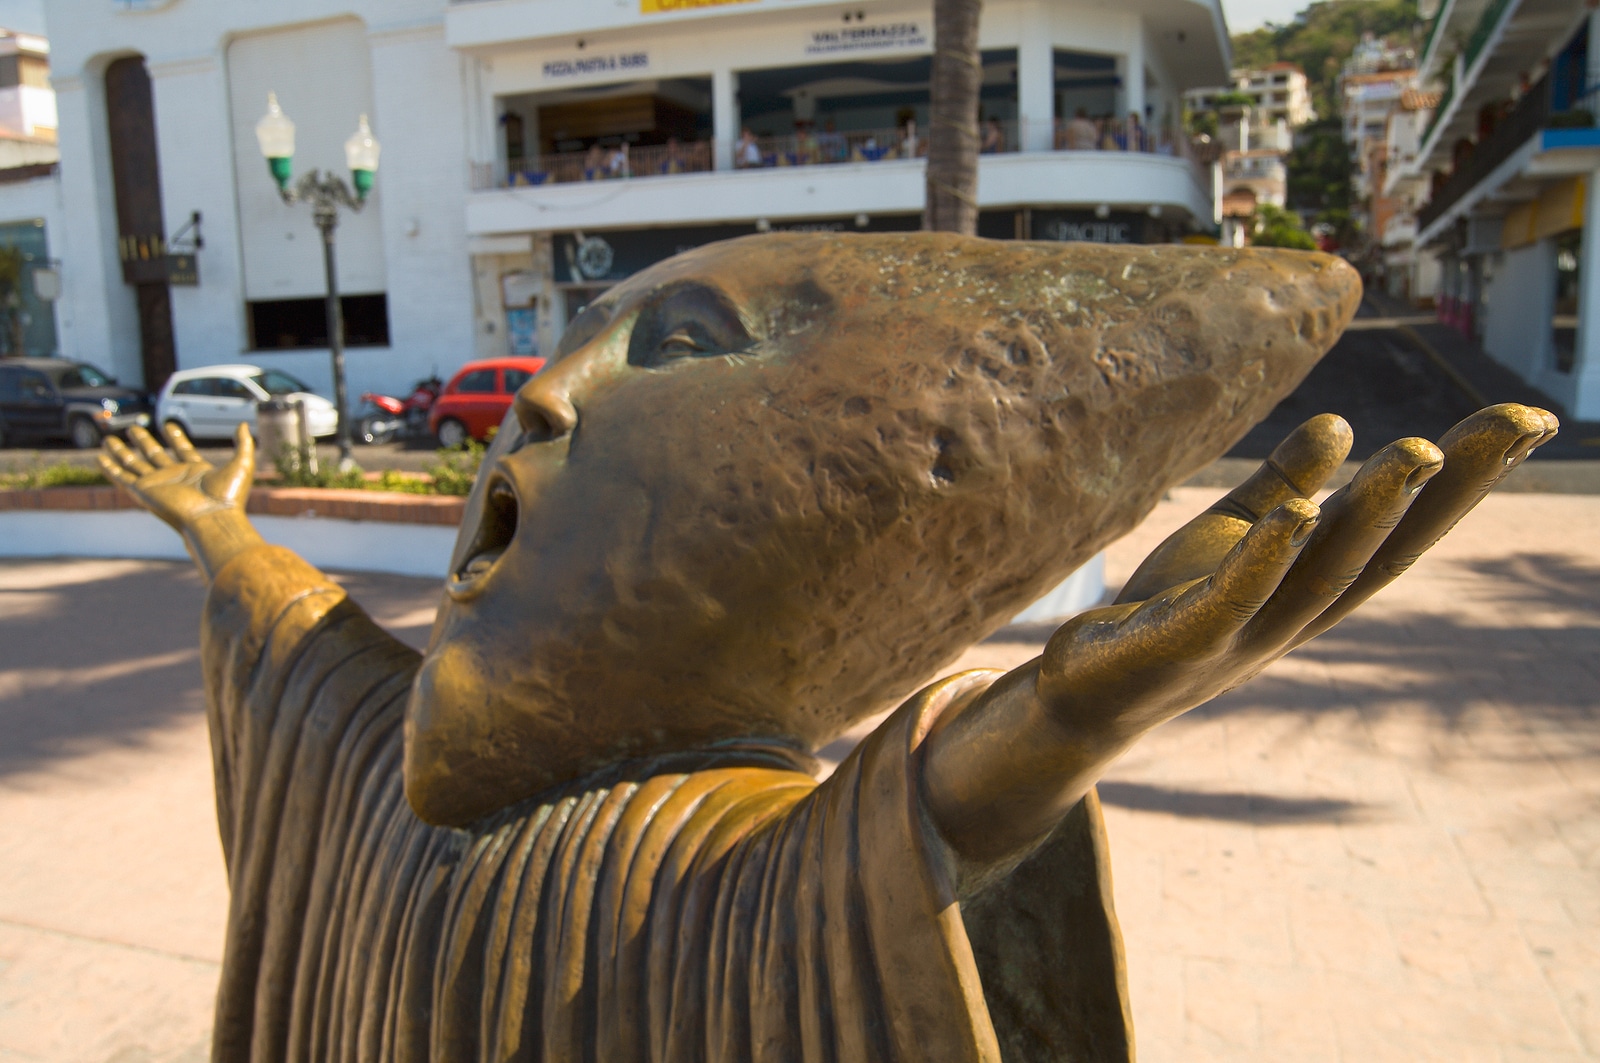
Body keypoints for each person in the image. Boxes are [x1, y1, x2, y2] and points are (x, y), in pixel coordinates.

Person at [98, 233, 1555, 1060]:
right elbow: (296, 631)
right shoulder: (378, 767)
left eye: (674, 345)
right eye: (575, 341)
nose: (540, 402)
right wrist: (213, 525)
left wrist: (1033, 743)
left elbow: (825, 876)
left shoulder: (717, 869)